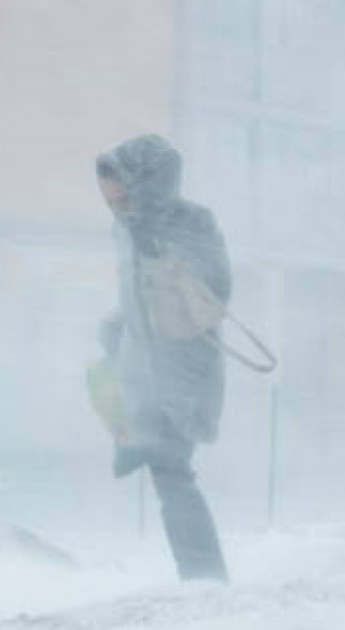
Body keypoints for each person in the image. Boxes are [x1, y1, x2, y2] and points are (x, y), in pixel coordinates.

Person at [95, 134, 231, 582]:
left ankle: (204, 576)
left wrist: (164, 251)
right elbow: (139, 302)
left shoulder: (193, 222)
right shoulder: (127, 229)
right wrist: (115, 329)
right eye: (108, 197)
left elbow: (214, 293)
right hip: (144, 373)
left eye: (121, 194)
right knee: (167, 471)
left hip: (185, 374)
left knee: (172, 472)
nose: (114, 204)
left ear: (147, 183)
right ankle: (202, 575)